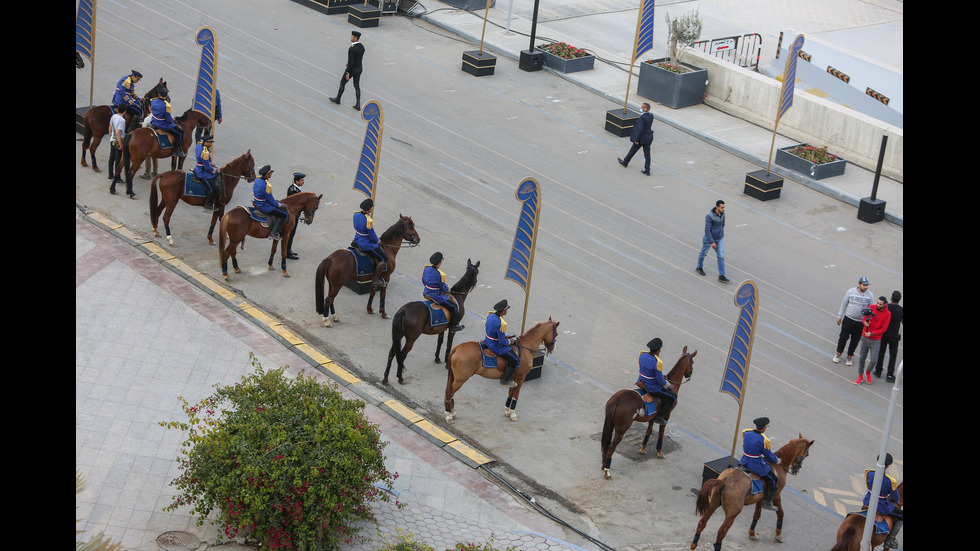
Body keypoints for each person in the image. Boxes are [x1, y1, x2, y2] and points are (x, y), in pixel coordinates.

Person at [863, 453, 903, 548]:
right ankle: (889, 541)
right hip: (881, 506)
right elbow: (896, 498)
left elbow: (869, 486)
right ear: (888, 466)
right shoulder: (890, 481)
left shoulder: (869, 473)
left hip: (868, 501)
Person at [740, 417, 779, 511]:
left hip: (744, 460)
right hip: (755, 464)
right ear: (764, 428)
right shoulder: (764, 440)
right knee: (773, 479)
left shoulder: (747, 433)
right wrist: (777, 460)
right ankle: (767, 502)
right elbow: (769, 455)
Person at [834, 276, 874, 366]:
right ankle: (839, 353)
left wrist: (869, 320)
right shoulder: (850, 292)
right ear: (859, 284)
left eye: (867, 285)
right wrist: (840, 316)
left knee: (855, 340)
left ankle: (849, 355)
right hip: (849, 319)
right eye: (864, 285)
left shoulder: (870, 295)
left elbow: (872, 309)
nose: (866, 287)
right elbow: (844, 303)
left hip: (860, 322)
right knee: (843, 337)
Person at [635, 338, 676, 422]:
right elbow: (660, 380)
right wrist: (668, 386)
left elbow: (643, 368)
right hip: (651, 387)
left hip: (641, 381)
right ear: (658, 351)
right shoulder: (658, 362)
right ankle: (660, 417)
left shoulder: (642, 354)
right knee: (673, 397)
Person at [422, 252, 464, 333]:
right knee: (454, 306)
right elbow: (443, 288)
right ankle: (453, 327)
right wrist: (448, 290)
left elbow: (424, 281)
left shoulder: (426, 268)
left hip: (426, 291)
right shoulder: (440, 274)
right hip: (436, 295)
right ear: (439, 263)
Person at [854, 296, 891, 385]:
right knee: (862, 358)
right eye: (877, 303)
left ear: (885, 304)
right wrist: (865, 322)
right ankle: (860, 375)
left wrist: (872, 333)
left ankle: (868, 372)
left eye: (880, 304)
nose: (878, 305)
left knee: (874, 360)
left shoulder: (888, 314)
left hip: (876, 340)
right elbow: (864, 318)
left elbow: (884, 329)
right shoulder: (871, 308)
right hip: (865, 337)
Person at [352, 198, 388, 284]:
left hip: (357, 238)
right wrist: (378, 241)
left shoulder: (356, 215)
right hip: (366, 244)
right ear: (370, 209)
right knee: (384, 258)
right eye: (372, 207)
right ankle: (376, 279)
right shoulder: (368, 221)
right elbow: (372, 236)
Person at [485, 299, 520, 387]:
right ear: (503, 311)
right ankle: (505, 380)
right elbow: (502, 342)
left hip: (487, 339)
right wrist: (509, 340)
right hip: (495, 345)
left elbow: (494, 331)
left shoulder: (491, 315)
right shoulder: (500, 323)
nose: (507, 310)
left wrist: (505, 336)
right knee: (515, 360)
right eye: (506, 309)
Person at [329, 30, 365, 111]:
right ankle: (358, 104)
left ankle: (338, 99)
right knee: (357, 85)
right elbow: (358, 58)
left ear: (355, 38)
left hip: (352, 69)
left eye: (352, 36)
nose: (350, 37)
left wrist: (348, 72)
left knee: (342, 83)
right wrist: (349, 62)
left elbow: (351, 62)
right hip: (359, 68)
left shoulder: (351, 49)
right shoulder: (362, 46)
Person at [695, 200, 729, 282]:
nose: (723, 209)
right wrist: (712, 242)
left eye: (724, 207)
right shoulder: (709, 216)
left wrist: (721, 233)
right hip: (709, 239)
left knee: (721, 256)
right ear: (717, 207)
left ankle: (721, 275)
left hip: (719, 238)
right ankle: (699, 267)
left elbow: (722, 225)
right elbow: (707, 230)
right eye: (722, 207)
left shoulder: (723, 214)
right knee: (704, 253)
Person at [252, 165, 288, 240]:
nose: (271, 174)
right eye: (270, 173)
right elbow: (271, 201)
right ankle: (274, 233)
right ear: (267, 174)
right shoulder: (267, 186)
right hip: (264, 206)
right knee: (284, 214)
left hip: (257, 202)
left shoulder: (257, 180)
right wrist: (281, 205)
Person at [617, 102, 654, 175]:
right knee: (647, 154)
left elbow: (640, 130)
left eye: (642, 107)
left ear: (645, 109)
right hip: (648, 137)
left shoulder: (642, 118)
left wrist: (636, 139)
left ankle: (625, 162)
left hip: (641, 138)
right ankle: (647, 169)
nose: (641, 107)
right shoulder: (651, 116)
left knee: (633, 150)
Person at [874, 290, 903, 383]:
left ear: (891, 298)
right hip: (894, 335)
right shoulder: (901, 310)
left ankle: (878, 371)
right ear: (899, 299)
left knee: (881, 352)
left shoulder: (886, 307)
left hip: (884, 333)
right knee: (893, 355)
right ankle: (890, 374)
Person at [149, 89, 185, 157]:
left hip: (154, 121)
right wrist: (172, 120)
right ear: (167, 95)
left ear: (159, 94)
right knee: (180, 133)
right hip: (163, 125)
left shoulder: (153, 101)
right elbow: (168, 120)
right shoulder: (166, 105)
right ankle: (176, 150)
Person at [107, 104, 133, 198]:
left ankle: (110, 174)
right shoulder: (122, 120)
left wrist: (111, 136)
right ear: (125, 111)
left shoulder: (113, 116)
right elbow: (119, 132)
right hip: (118, 140)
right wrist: (121, 144)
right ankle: (117, 177)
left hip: (112, 140)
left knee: (111, 157)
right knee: (118, 160)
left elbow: (110, 128)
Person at [194, 134, 221, 211]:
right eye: (210, 142)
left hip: (198, 167)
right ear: (205, 142)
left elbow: (203, 161)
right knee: (212, 188)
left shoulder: (199, 146)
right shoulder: (205, 153)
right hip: (202, 172)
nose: (211, 144)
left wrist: (209, 163)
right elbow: (207, 168)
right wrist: (216, 170)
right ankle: (208, 204)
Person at [284, 173, 305, 260]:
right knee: (291, 233)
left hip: (294, 214)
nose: (303, 182)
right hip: (292, 215)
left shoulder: (296, 188)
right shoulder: (294, 191)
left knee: (292, 233)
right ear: (296, 181)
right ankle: (287, 252)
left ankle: (288, 250)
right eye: (302, 180)